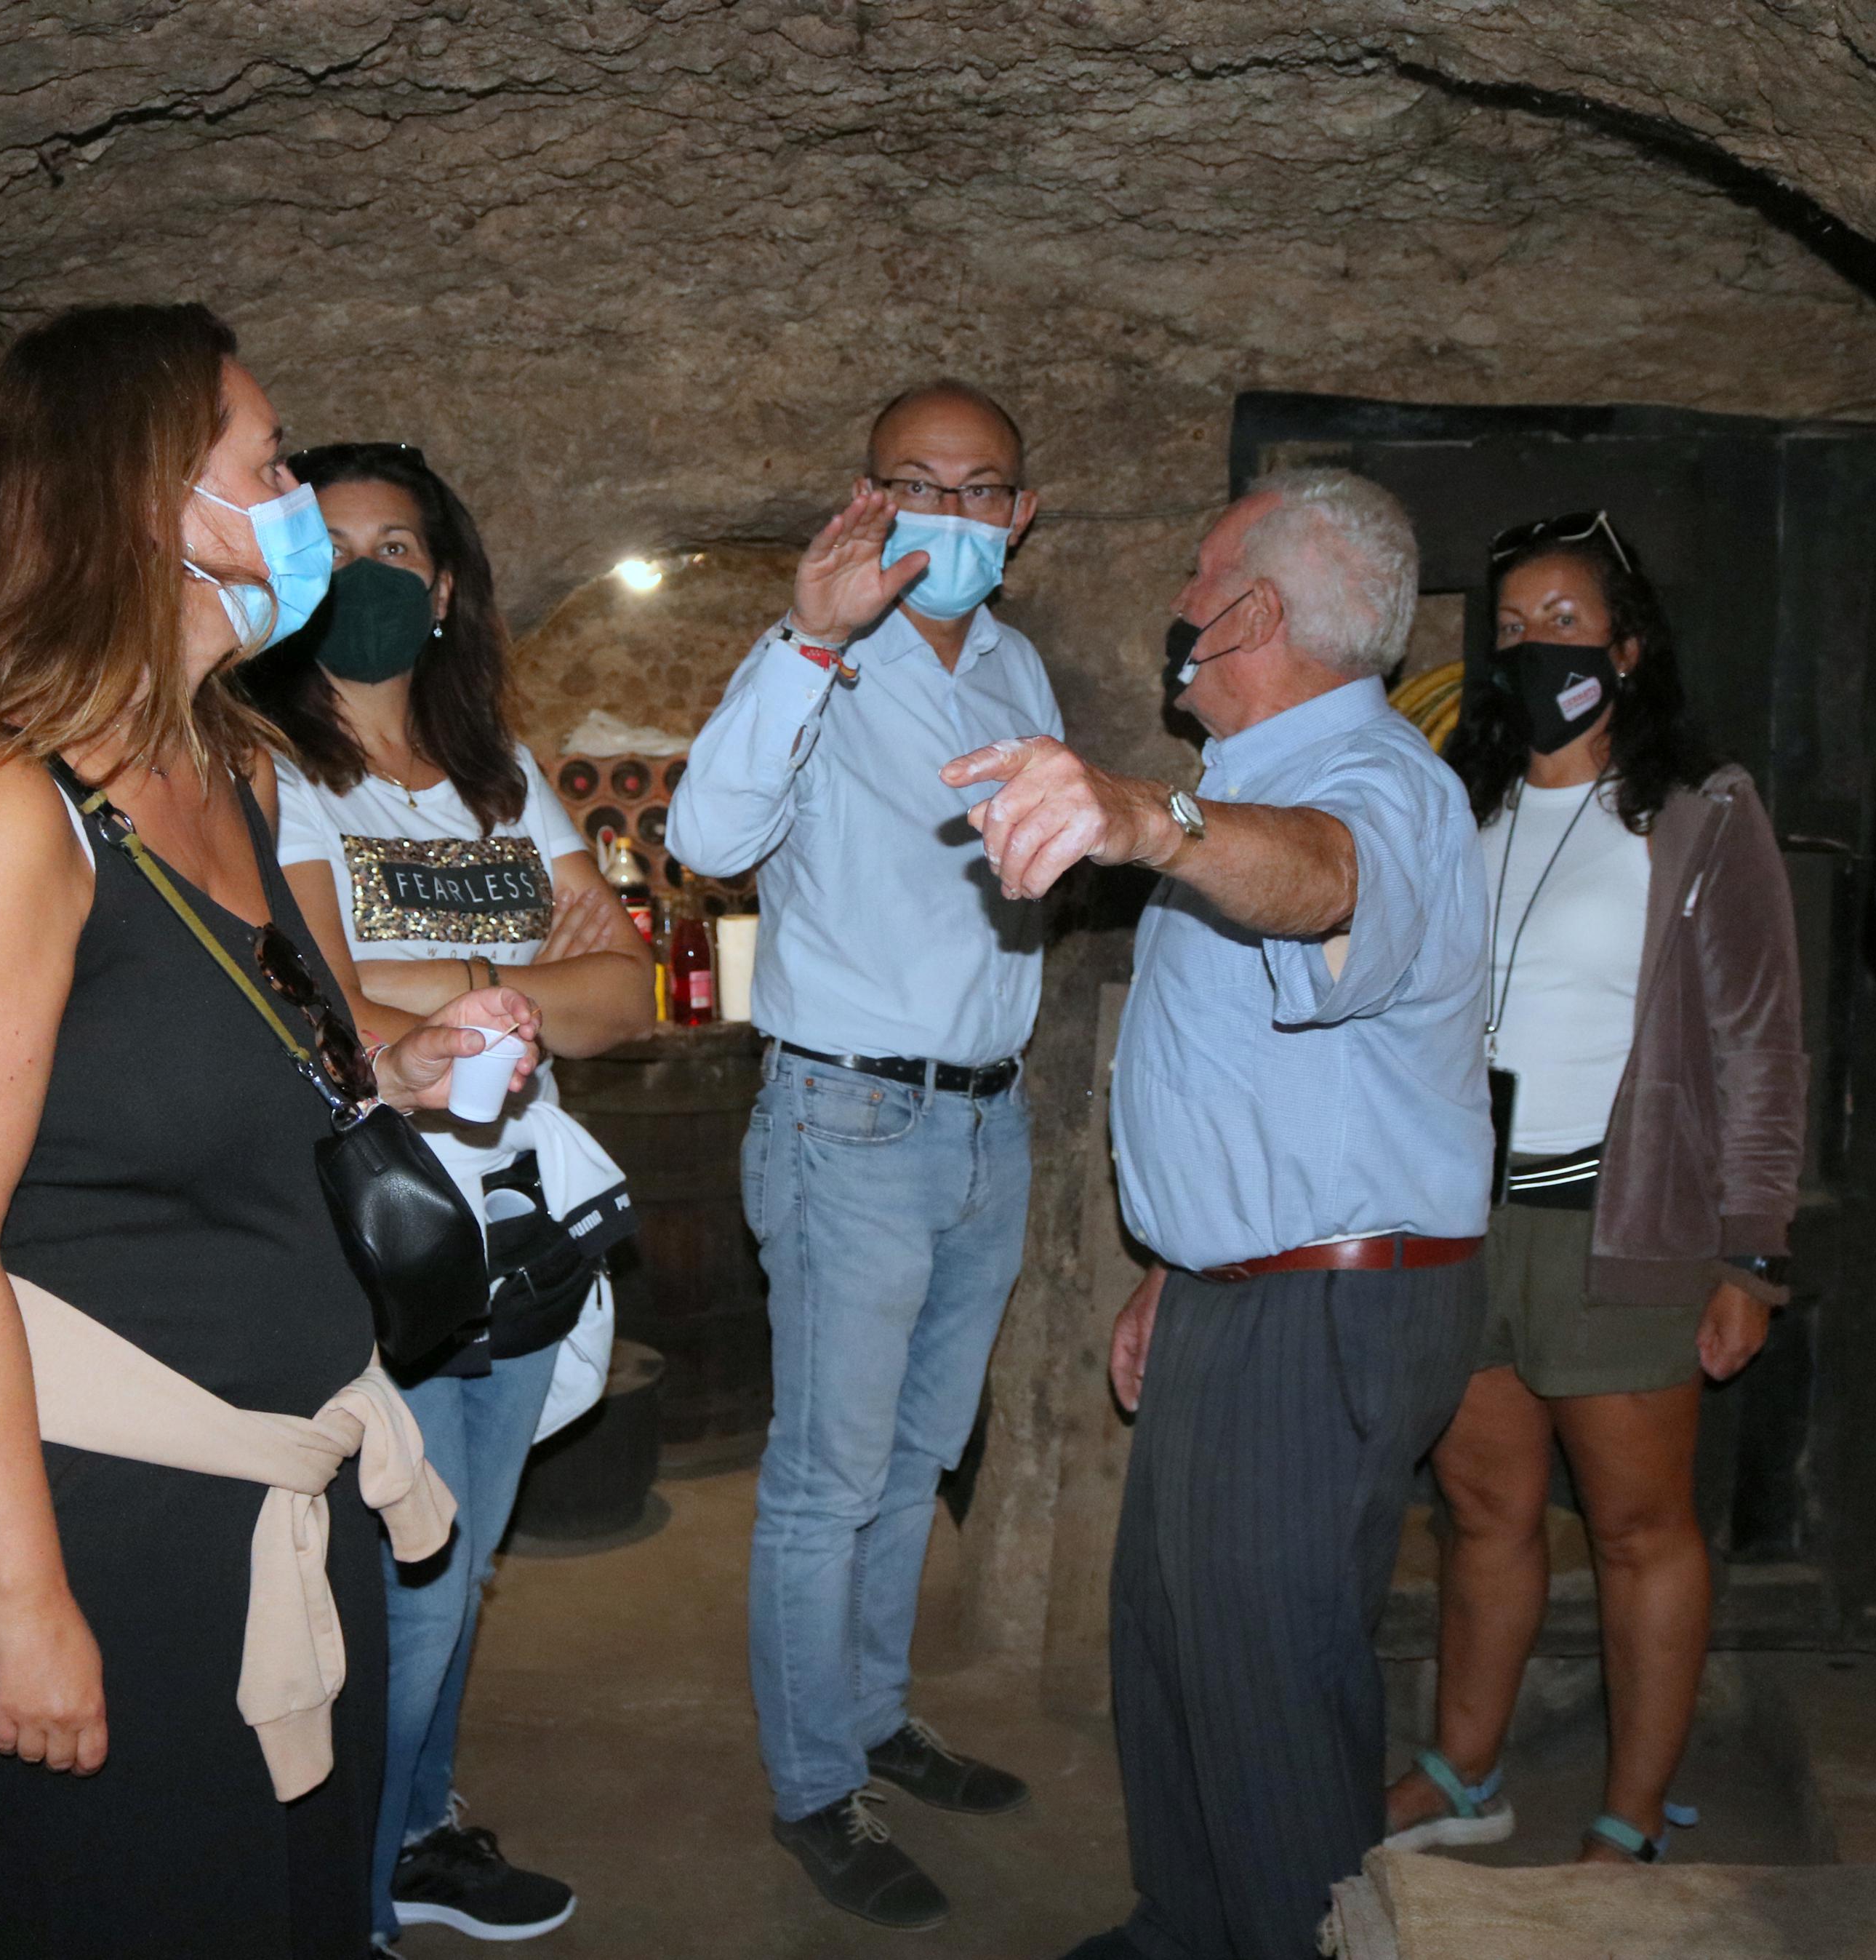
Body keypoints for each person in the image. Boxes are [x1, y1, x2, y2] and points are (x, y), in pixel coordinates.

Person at [0, 304, 540, 1960]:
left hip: (299, 1483)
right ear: (151, 501)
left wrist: (397, 1067)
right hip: (120, 1528)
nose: (299, 502)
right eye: (270, 466)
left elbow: (234, 1067)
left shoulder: (226, 765)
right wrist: (27, 1607)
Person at [943, 468, 1489, 1960]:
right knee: (1178, 1645)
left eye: (1199, 576)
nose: (1179, 606)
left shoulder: (1370, 782)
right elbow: (1264, 1081)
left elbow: (1330, 882)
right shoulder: (1260, 781)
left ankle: (1299, 1939)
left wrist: (1141, 813)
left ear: (1249, 611)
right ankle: (1190, 1927)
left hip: (1329, 1307)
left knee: (1270, 1683)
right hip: (1251, 1288)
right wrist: (1180, 1270)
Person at [665, 380, 1061, 1931]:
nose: (951, 514)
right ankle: (815, 1787)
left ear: (1020, 513)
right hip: (850, 1117)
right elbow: (707, 843)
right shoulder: (818, 651)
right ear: (869, 497)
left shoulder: (1018, 664)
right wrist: (809, 640)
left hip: (986, 1116)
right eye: (918, 483)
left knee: (916, 1460)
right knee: (826, 1483)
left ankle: (877, 1715)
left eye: (981, 489)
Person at [249, 441, 651, 1948]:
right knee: (403, 1600)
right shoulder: (271, 770)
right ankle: (348, 1905)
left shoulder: (505, 779)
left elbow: (625, 997)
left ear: (444, 588)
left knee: (462, 1570)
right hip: (385, 1233)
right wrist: (518, 972)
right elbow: (324, 1002)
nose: (369, 574)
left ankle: (416, 1835)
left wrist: (446, 980)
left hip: (523, 1225)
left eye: (399, 549)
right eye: (337, 546)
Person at [1380, 514, 1805, 1865]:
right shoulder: (1460, 803)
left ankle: (1631, 1816)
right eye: (1511, 627)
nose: (1535, 648)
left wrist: (1751, 1255)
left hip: (1616, 1227)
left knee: (1635, 1530)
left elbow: (1761, 1043)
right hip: (1463, 1218)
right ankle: (1465, 1773)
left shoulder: (1699, 815)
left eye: (1565, 622)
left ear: (1628, 647)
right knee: (1485, 1515)